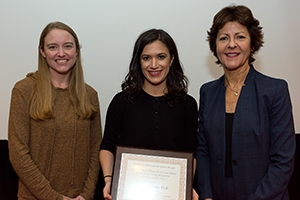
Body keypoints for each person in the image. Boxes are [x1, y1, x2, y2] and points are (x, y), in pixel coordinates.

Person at [195, 4, 296, 200]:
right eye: (224, 38)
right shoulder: (207, 92)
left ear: (252, 43)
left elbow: (283, 161)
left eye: (240, 37)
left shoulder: (275, 90)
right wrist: (206, 195)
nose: (231, 44)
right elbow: (203, 150)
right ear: (215, 46)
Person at [99, 29, 198, 200]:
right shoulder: (121, 101)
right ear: (139, 61)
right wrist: (109, 180)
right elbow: (107, 146)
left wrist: (187, 186)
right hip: (126, 193)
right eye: (146, 58)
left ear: (172, 59)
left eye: (161, 57)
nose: (154, 65)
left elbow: (191, 152)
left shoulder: (187, 104)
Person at [8, 21, 102, 200]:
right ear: (42, 52)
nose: (61, 53)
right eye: (53, 47)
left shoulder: (89, 95)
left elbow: (94, 148)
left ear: (76, 51)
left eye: (67, 46)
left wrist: (87, 194)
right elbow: (18, 153)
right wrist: (55, 198)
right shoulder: (23, 91)